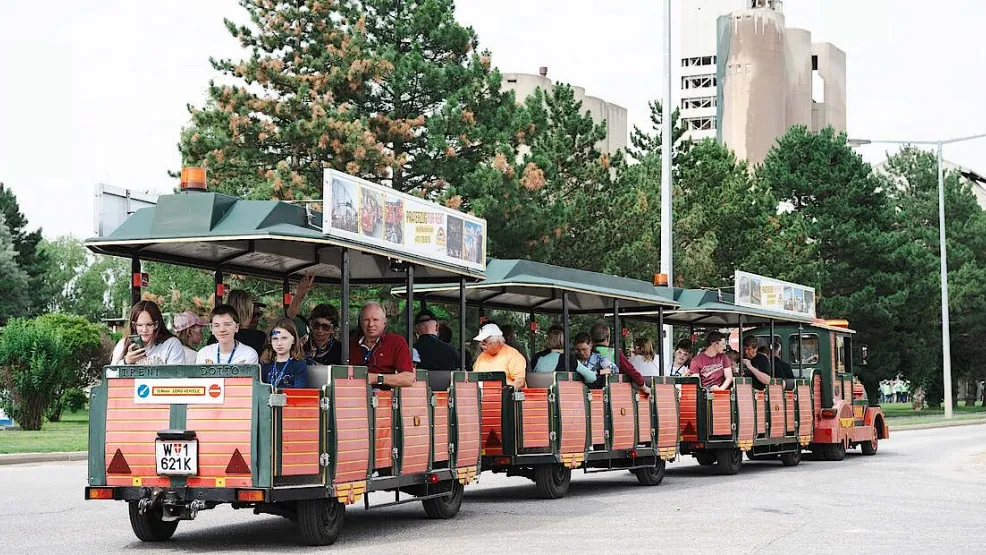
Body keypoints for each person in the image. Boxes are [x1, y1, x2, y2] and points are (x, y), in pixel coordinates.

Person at [348, 302, 414, 388]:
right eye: (366, 320)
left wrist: (376, 378)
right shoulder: (350, 345)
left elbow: (408, 379)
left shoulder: (396, 342)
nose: (371, 324)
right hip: (351, 393)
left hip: (385, 395)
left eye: (375, 320)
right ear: (360, 323)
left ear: (384, 322)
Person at [111, 300, 185, 365]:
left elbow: (177, 374)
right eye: (140, 325)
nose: (144, 330)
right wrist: (126, 361)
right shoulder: (123, 344)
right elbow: (110, 373)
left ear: (156, 324)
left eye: (149, 324)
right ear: (133, 326)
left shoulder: (171, 344)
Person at [590, 322, 650, 395]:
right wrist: (644, 387)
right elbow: (630, 370)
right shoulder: (613, 353)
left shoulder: (588, 353)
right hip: (611, 393)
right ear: (608, 338)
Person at [207, 290, 267, 354]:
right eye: (253, 314)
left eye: (259, 314)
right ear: (247, 313)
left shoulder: (215, 338)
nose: (256, 319)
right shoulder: (258, 338)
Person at [472, 323, 527, 389]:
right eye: (480, 342)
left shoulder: (513, 355)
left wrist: (501, 391)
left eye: (485, 342)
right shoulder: (481, 356)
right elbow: (474, 379)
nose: (481, 345)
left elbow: (520, 382)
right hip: (483, 394)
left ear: (497, 342)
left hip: (506, 394)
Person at [260, 317, 308, 388]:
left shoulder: (299, 365)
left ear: (293, 340)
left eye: (284, 338)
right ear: (270, 341)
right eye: (275, 339)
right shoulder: (266, 364)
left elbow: (299, 391)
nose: (279, 343)